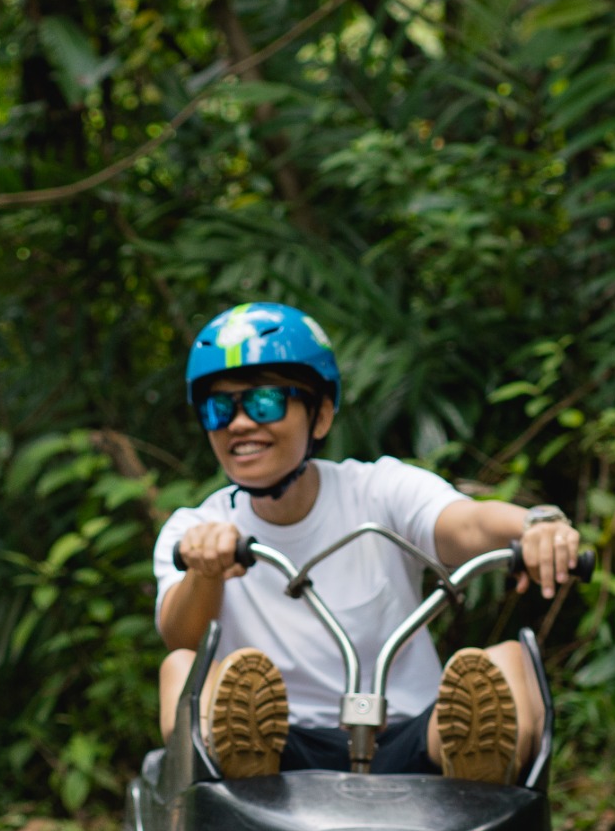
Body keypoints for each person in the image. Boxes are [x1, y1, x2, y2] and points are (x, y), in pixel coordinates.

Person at [152, 301, 584, 783]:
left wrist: (537, 524)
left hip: (412, 738)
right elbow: (180, 635)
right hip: (273, 750)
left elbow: (468, 524)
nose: (239, 424)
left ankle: (474, 768)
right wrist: (204, 571)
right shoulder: (195, 529)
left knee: (508, 663)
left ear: (320, 415)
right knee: (182, 668)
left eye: (264, 402)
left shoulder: (379, 490)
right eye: (219, 408)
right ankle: (241, 756)